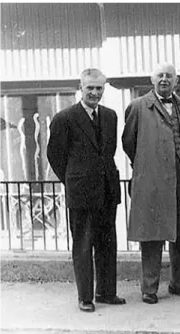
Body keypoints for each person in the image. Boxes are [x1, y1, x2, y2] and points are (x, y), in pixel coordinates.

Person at [122, 63, 180, 305]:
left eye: (169, 76)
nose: (165, 79)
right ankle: (149, 288)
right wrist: (149, 166)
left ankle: (179, 283)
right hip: (153, 182)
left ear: (176, 81)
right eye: (160, 75)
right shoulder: (138, 107)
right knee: (152, 237)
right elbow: (129, 143)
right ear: (152, 79)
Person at [47, 68, 125, 312]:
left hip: (107, 191)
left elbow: (109, 152)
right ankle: (85, 297)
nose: (94, 92)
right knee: (83, 245)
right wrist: (74, 180)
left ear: (104, 89)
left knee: (107, 243)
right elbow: (55, 156)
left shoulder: (111, 116)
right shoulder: (65, 118)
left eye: (99, 88)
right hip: (81, 193)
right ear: (80, 88)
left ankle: (106, 292)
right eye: (90, 87)